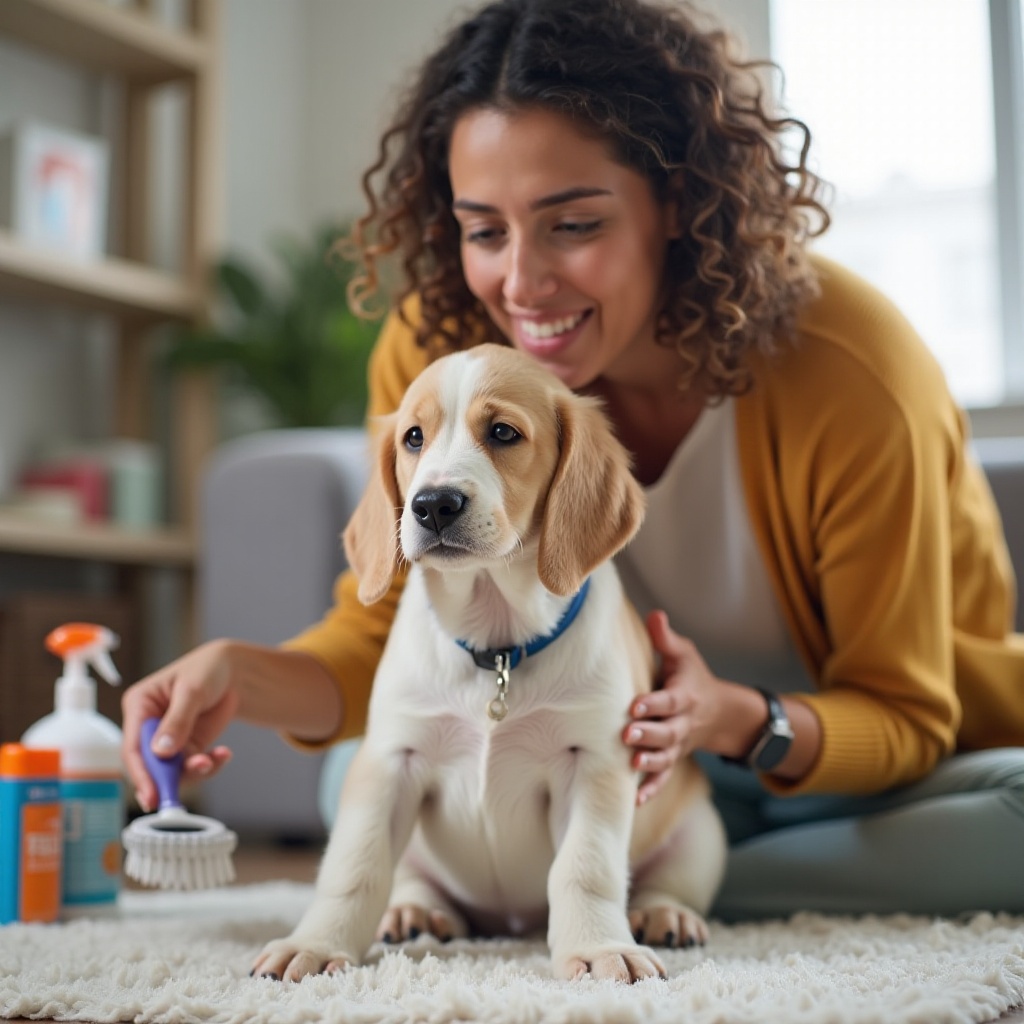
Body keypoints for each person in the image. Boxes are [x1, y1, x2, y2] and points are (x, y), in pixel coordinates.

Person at [122, 0, 1024, 921]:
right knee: (367, 769)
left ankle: (660, 879)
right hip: (565, 761)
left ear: (677, 203)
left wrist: (735, 720)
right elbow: (388, 635)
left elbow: (910, 715)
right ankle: (606, 876)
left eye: (573, 224)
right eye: (485, 230)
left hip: (831, 768)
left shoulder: (849, 366)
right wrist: (241, 672)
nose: (521, 283)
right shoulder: (440, 355)